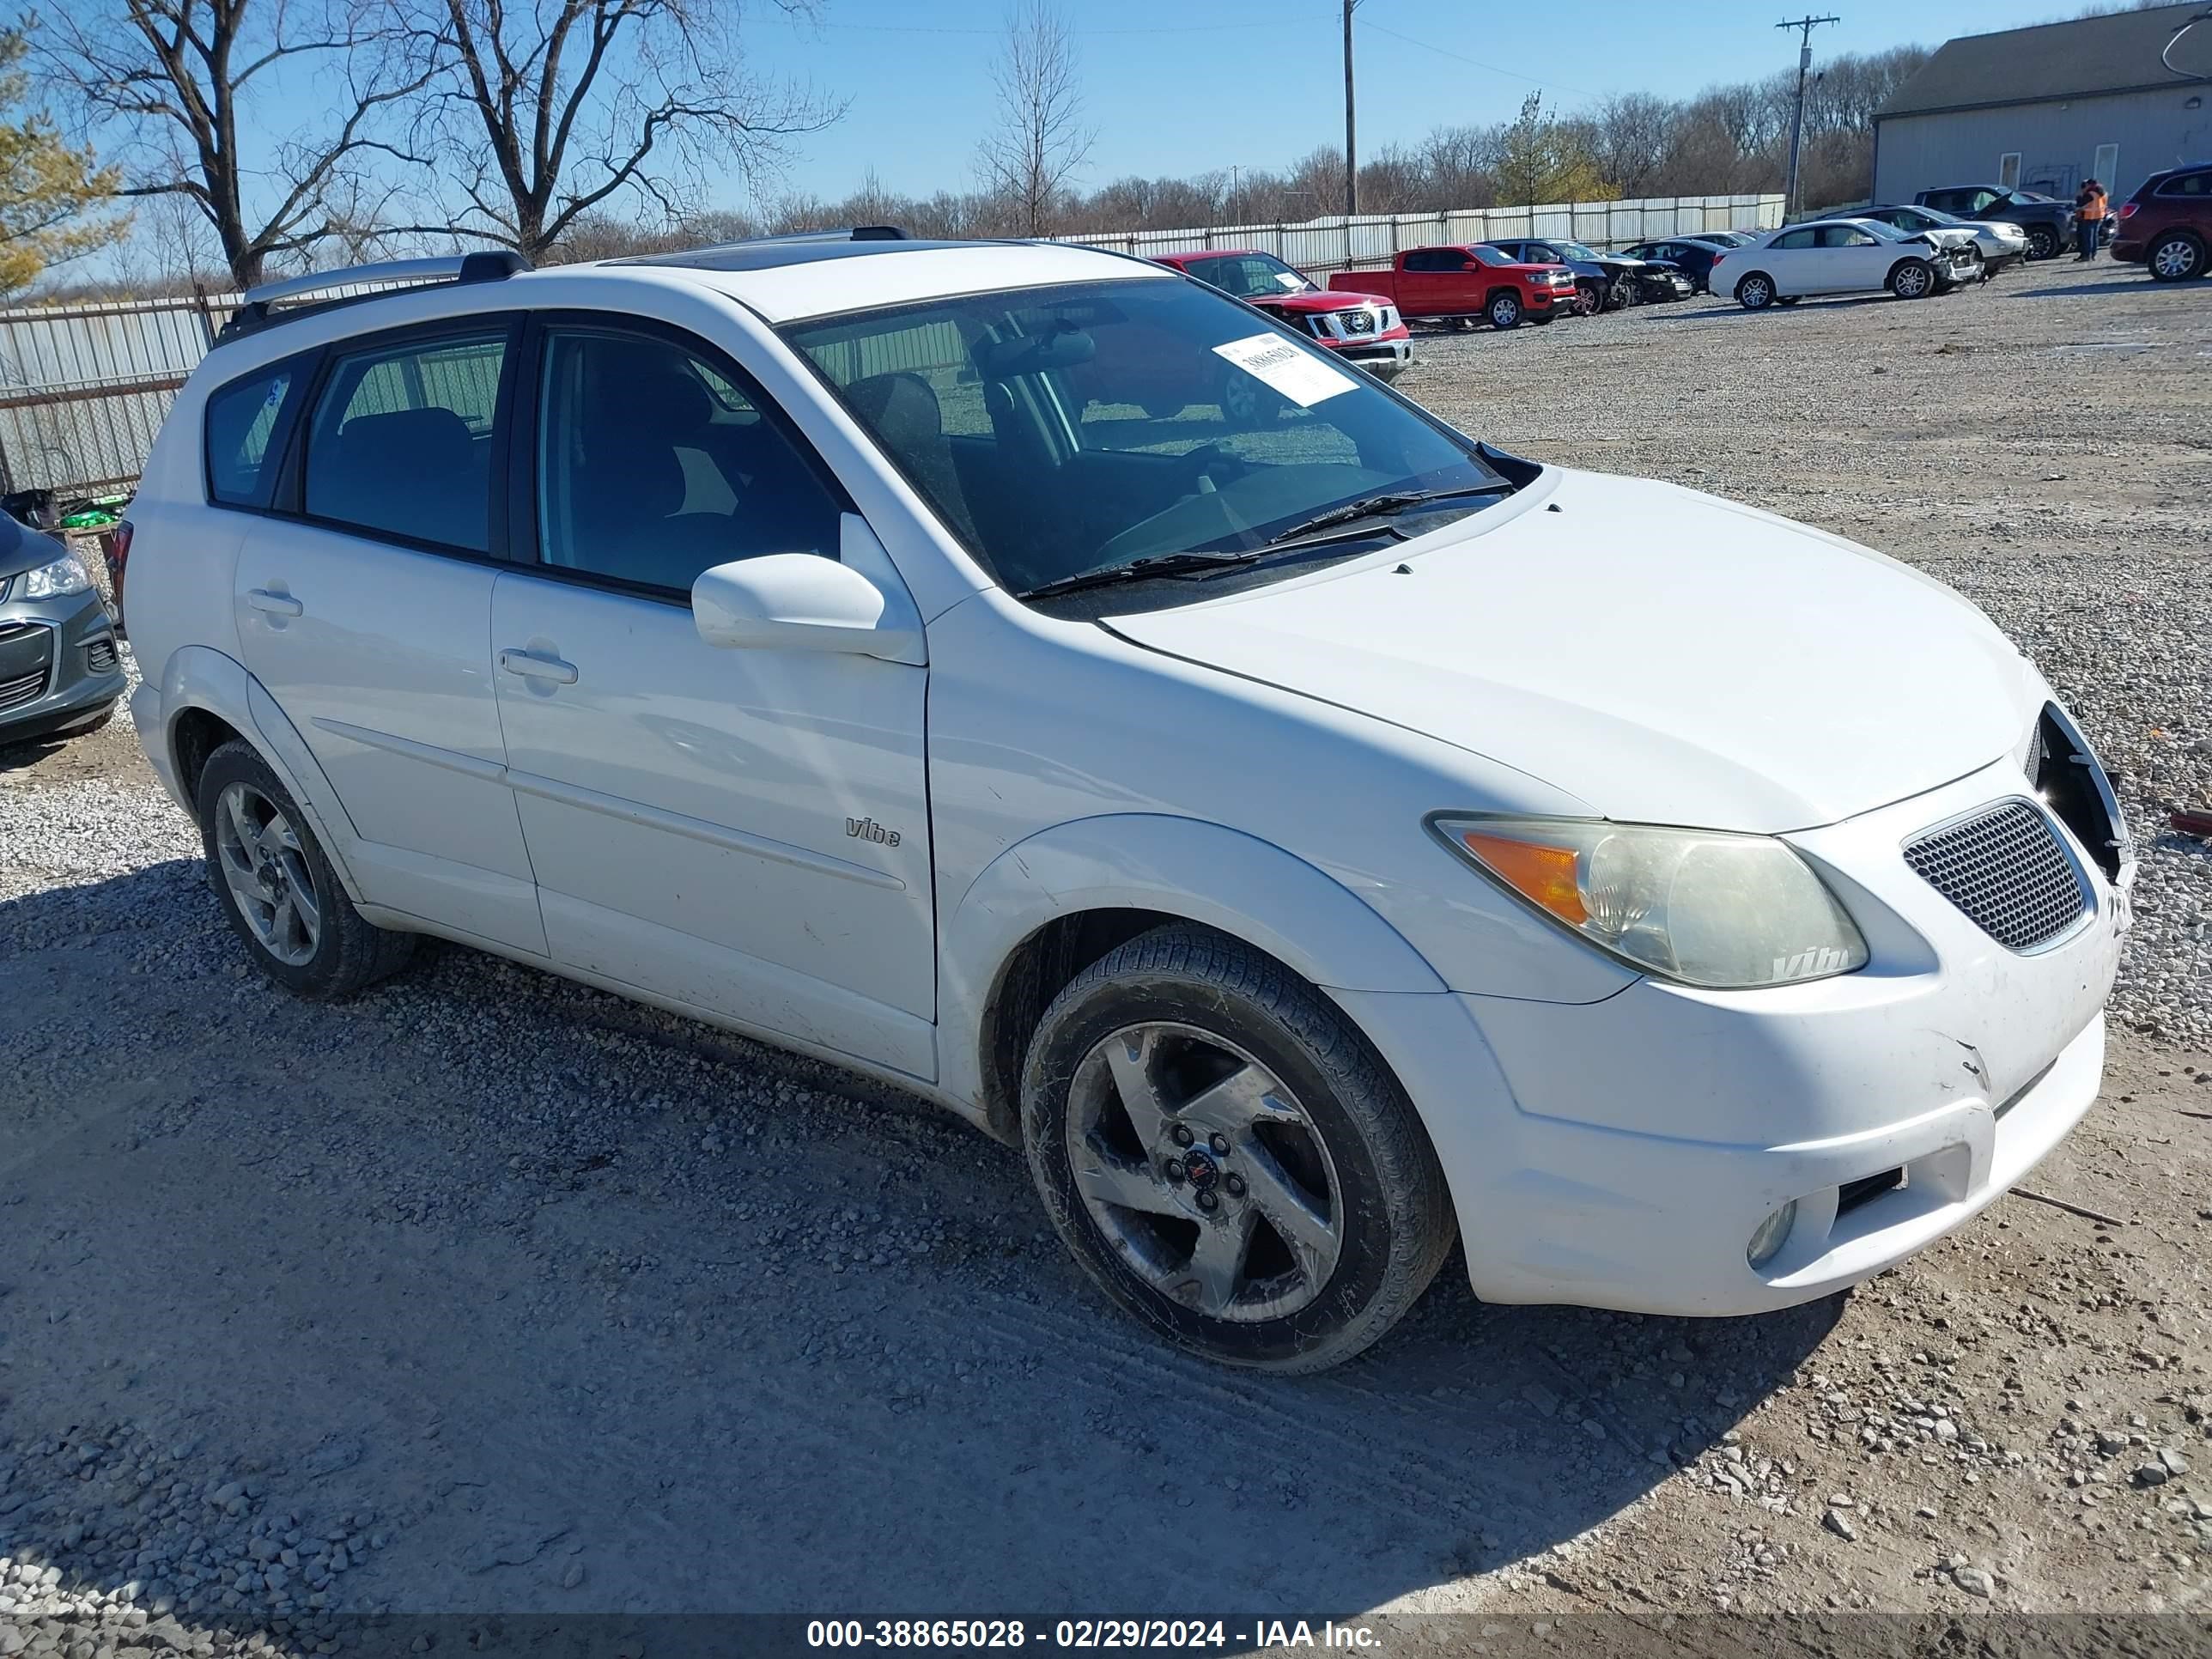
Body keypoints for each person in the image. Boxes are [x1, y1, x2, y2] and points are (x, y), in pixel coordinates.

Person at [2075, 179, 2108, 261]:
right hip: (2099, 216)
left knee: (2087, 237)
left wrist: (2079, 208)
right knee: (2094, 236)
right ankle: (2093, 254)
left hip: (2089, 216)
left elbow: (2083, 205)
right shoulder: (2103, 193)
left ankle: (2087, 255)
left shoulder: (2090, 194)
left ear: (2089, 185)